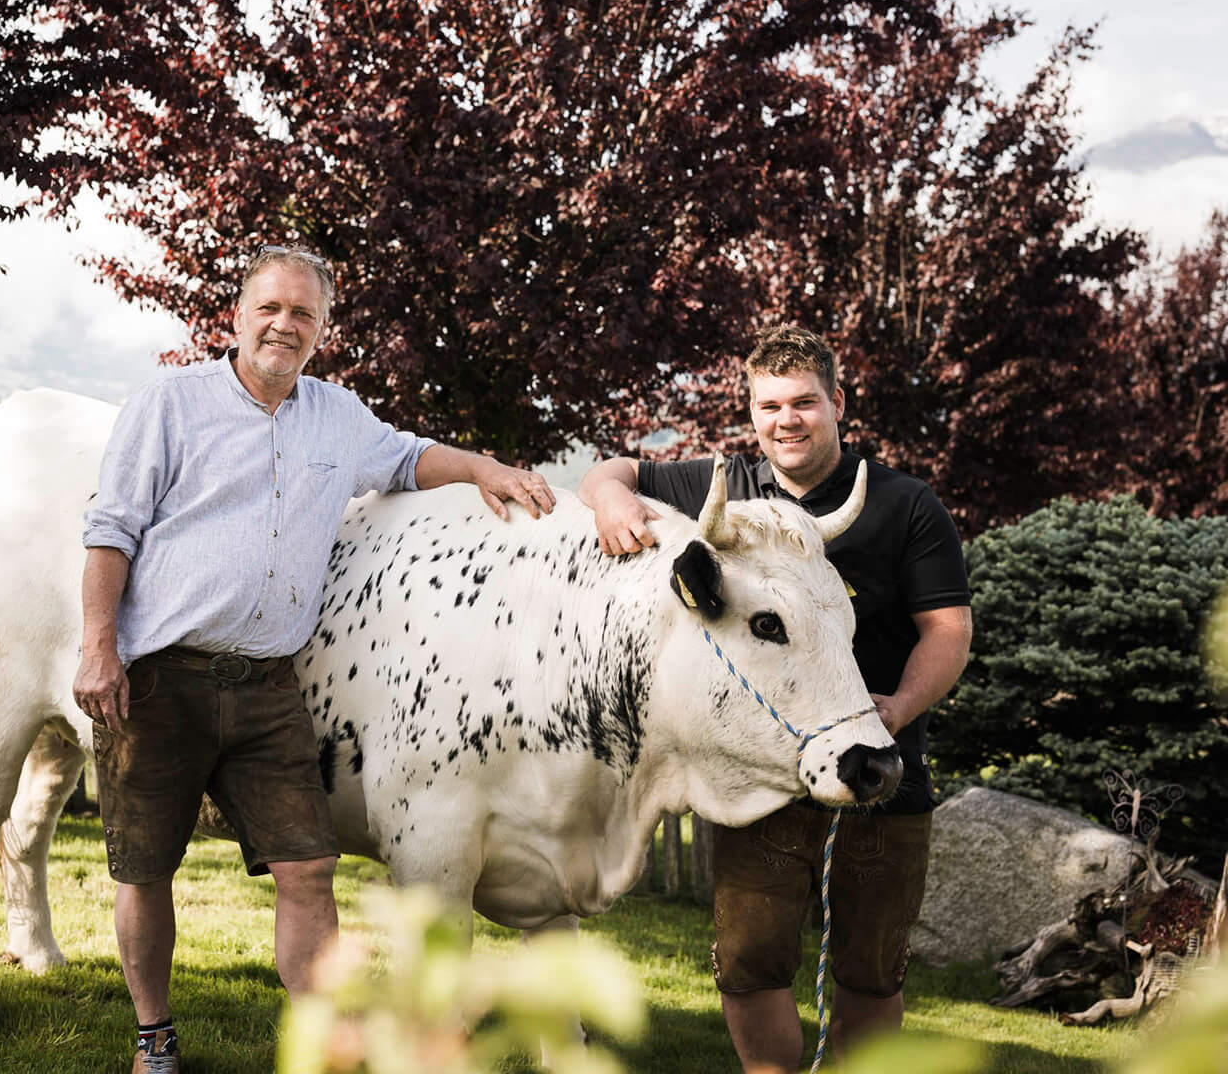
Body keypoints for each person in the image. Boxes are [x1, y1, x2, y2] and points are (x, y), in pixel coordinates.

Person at [72, 245, 556, 1074]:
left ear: (322, 331)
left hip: (268, 686)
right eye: (270, 308)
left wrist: (483, 467)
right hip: (162, 679)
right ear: (237, 313)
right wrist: (98, 648)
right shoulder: (171, 404)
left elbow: (407, 459)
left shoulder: (337, 416)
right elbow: (111, 528)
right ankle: (154, 1034)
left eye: (303, 314)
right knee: (146, 867)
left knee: (309, 866)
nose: (284, 325)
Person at [577, 324, 972, 1074]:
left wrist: (897, 709)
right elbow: (612, 470)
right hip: (759, 780)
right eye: (769, 406)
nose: (786, 420)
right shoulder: (720, 488)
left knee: (871, 969)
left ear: (838, 404)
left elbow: (948, 629)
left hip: (880, 769)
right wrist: (608, 502)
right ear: (751, 412)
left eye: (804, 403)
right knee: (752, 963)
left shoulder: (906, 505)